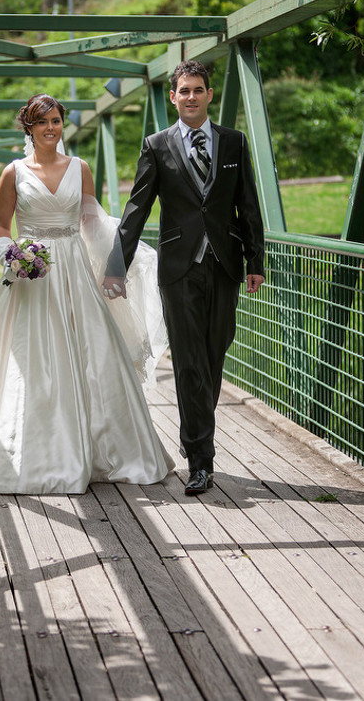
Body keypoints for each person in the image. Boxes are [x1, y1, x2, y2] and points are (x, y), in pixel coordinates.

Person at [0, 94, 173, 495]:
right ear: (29, 128)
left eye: (56, 121)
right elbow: (0, 226)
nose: (50, 128)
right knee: (30, 358)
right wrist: (11, 254)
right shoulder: (12, 172)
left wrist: (115, 267)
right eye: (42, 122)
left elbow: (92, 223)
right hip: (32, 275)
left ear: (63, 124)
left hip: (75, 273)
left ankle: (103, 451)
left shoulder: (80, 168)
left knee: (92, 353)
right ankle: (32, 454)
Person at [103, 60, 265, 496]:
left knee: (214, 355)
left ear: (209, 94)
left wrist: (255, 261)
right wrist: (116, 267)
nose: (190, 96)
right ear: (172, 97)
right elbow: (136, 210)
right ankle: (201, 458)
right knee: (190, 362)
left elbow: (248, 204)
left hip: (225, 264)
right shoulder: (157, 146)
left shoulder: (233, 143)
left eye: (198, 89)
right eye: (183, 91)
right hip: (177, 269)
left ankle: (199, 440)